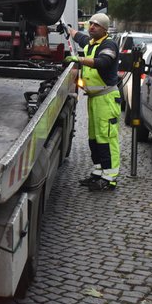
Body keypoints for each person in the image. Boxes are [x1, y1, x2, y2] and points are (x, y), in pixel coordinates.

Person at [60, 13, 121, 191]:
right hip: (95, 99)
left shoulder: (109, 45)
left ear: (104, 29)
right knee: (94, 139)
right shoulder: (91, 43)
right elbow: (77, 36)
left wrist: (78, 59)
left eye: (96, 25)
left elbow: (102, 62)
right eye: (91, 23)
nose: (92, 26)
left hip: (107, 98)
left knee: (106, 138)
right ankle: (98, 173)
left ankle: (110, 178)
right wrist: (67, 29)